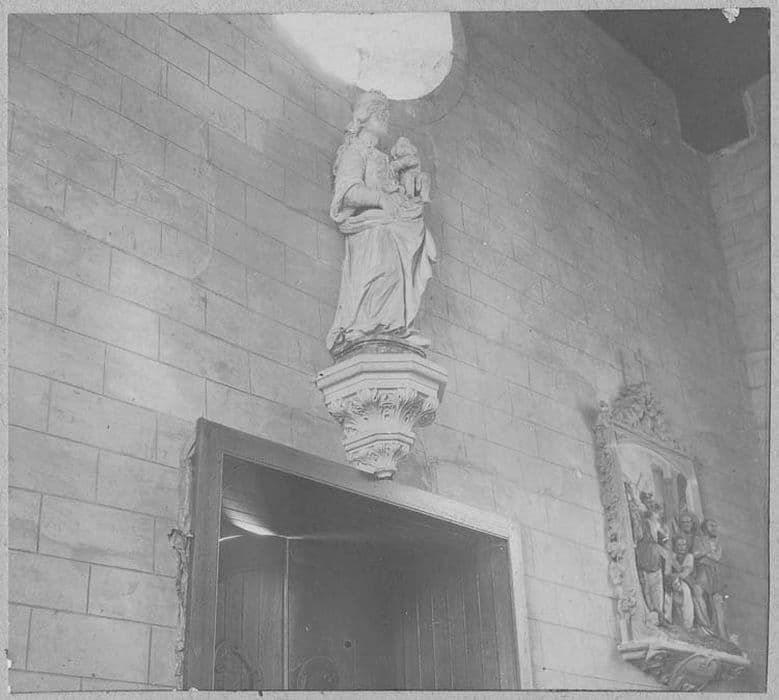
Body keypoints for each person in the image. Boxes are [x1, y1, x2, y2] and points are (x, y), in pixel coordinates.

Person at [326, 90, 437, 356]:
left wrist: (412, 189)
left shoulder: (383, 159)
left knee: (415, 234)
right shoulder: (354, 152)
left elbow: (395, 190)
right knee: (386, 245)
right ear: (363, 117)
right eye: (379, 113)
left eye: (387, 113)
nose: (385, 117)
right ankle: (370, 324)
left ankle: (395, 325)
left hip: (391, 222)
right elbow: (348, 192)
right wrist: (380, 199)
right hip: (370, 227)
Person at [693, 518, 727, 639]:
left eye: (715, 525)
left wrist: (704, 553)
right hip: (703, 571)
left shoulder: (717, 542)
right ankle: (705, 627)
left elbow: (717, 557)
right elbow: (695, 554)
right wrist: (706, 552)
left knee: (717, 601)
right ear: (704, 528)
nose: (714, 528)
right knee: (697, 592)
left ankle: (722, 634)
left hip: (714, 572)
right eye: (711, 525)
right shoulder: (698, 539)